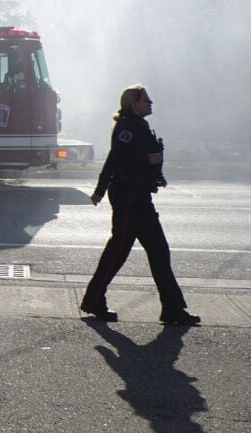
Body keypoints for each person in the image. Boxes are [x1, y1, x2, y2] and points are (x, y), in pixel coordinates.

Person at [81, 85, 200, 325]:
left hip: (139, 196)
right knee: (118, 251)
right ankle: (94, 300)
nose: (150, 102)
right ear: (132, 103)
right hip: (128, 197)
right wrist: (101, 189)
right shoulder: (126, 127)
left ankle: (172, 309)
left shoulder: (139, 125)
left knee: (158, 251)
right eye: (145, 99)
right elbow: (118, 159)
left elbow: (120, 158)